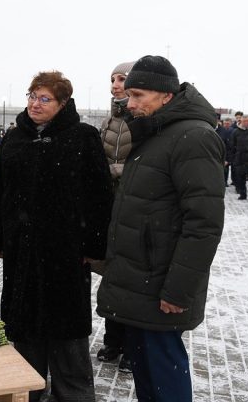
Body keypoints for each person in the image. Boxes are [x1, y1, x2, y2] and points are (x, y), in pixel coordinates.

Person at [96, 56, 224, 402]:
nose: (130, 102)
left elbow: (204, 223)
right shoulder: (155, 132)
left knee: (165, 374)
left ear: (166, 95)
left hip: (163, 284)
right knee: (147, 374)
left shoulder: (194, 137)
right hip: (140, 279)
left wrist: (179, 291)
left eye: (138, 95)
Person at [0, 71, 113, 402]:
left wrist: (94, 245)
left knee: (67, 336)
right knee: (26, 331)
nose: (35, 104)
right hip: (23, 252)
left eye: (45, 99)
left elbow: (100, 196)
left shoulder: (83, 137)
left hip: (65, 253)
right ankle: (28, 391)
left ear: (63, 103)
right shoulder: (16, 137)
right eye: (32, 96)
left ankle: (73, 396)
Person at [95, 61, 135, 373]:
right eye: (112, 79)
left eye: (122, 79)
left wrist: (112, 170)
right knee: (113, 275)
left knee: (133, 279)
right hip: (110, 205)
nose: (115, 84)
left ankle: (133, 346)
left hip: (135, 206)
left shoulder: (146, 119)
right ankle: (113, 340)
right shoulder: (110, 120)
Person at [216, 117, 235, 186]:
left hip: (223, 155)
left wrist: (227, 159)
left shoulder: (224, 131)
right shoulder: (208, 128)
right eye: (225, 123)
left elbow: (228, 146)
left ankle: (224, 182)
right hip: (212, 155)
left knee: (225, 170)